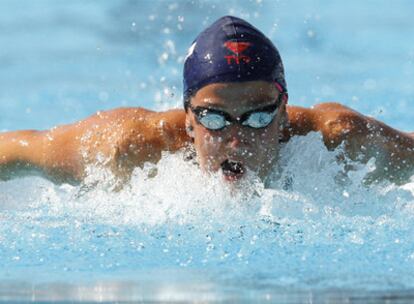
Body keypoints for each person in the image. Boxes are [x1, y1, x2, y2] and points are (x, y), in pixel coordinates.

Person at [0, 16, 413, 186]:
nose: (237, 139)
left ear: (284, 112)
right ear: (188, 119)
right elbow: (18, 150)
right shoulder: (126, 149)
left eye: (257, 118)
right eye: (215, 119)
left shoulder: (341, 141)